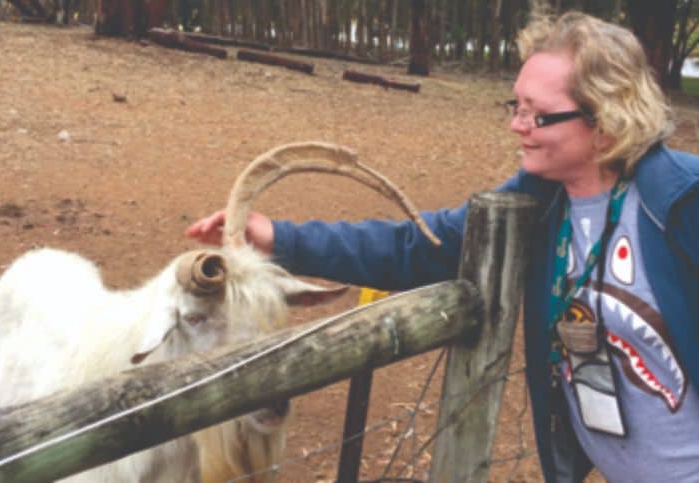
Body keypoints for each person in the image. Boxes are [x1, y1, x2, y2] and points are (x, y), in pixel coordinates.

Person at [187, 11, 699, 483]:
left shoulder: (681, 201)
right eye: (514, 106)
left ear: (606, 118)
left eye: (537, 115)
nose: (515, 125)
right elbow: (417, 247)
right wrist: (280, 238)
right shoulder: (537, 200)